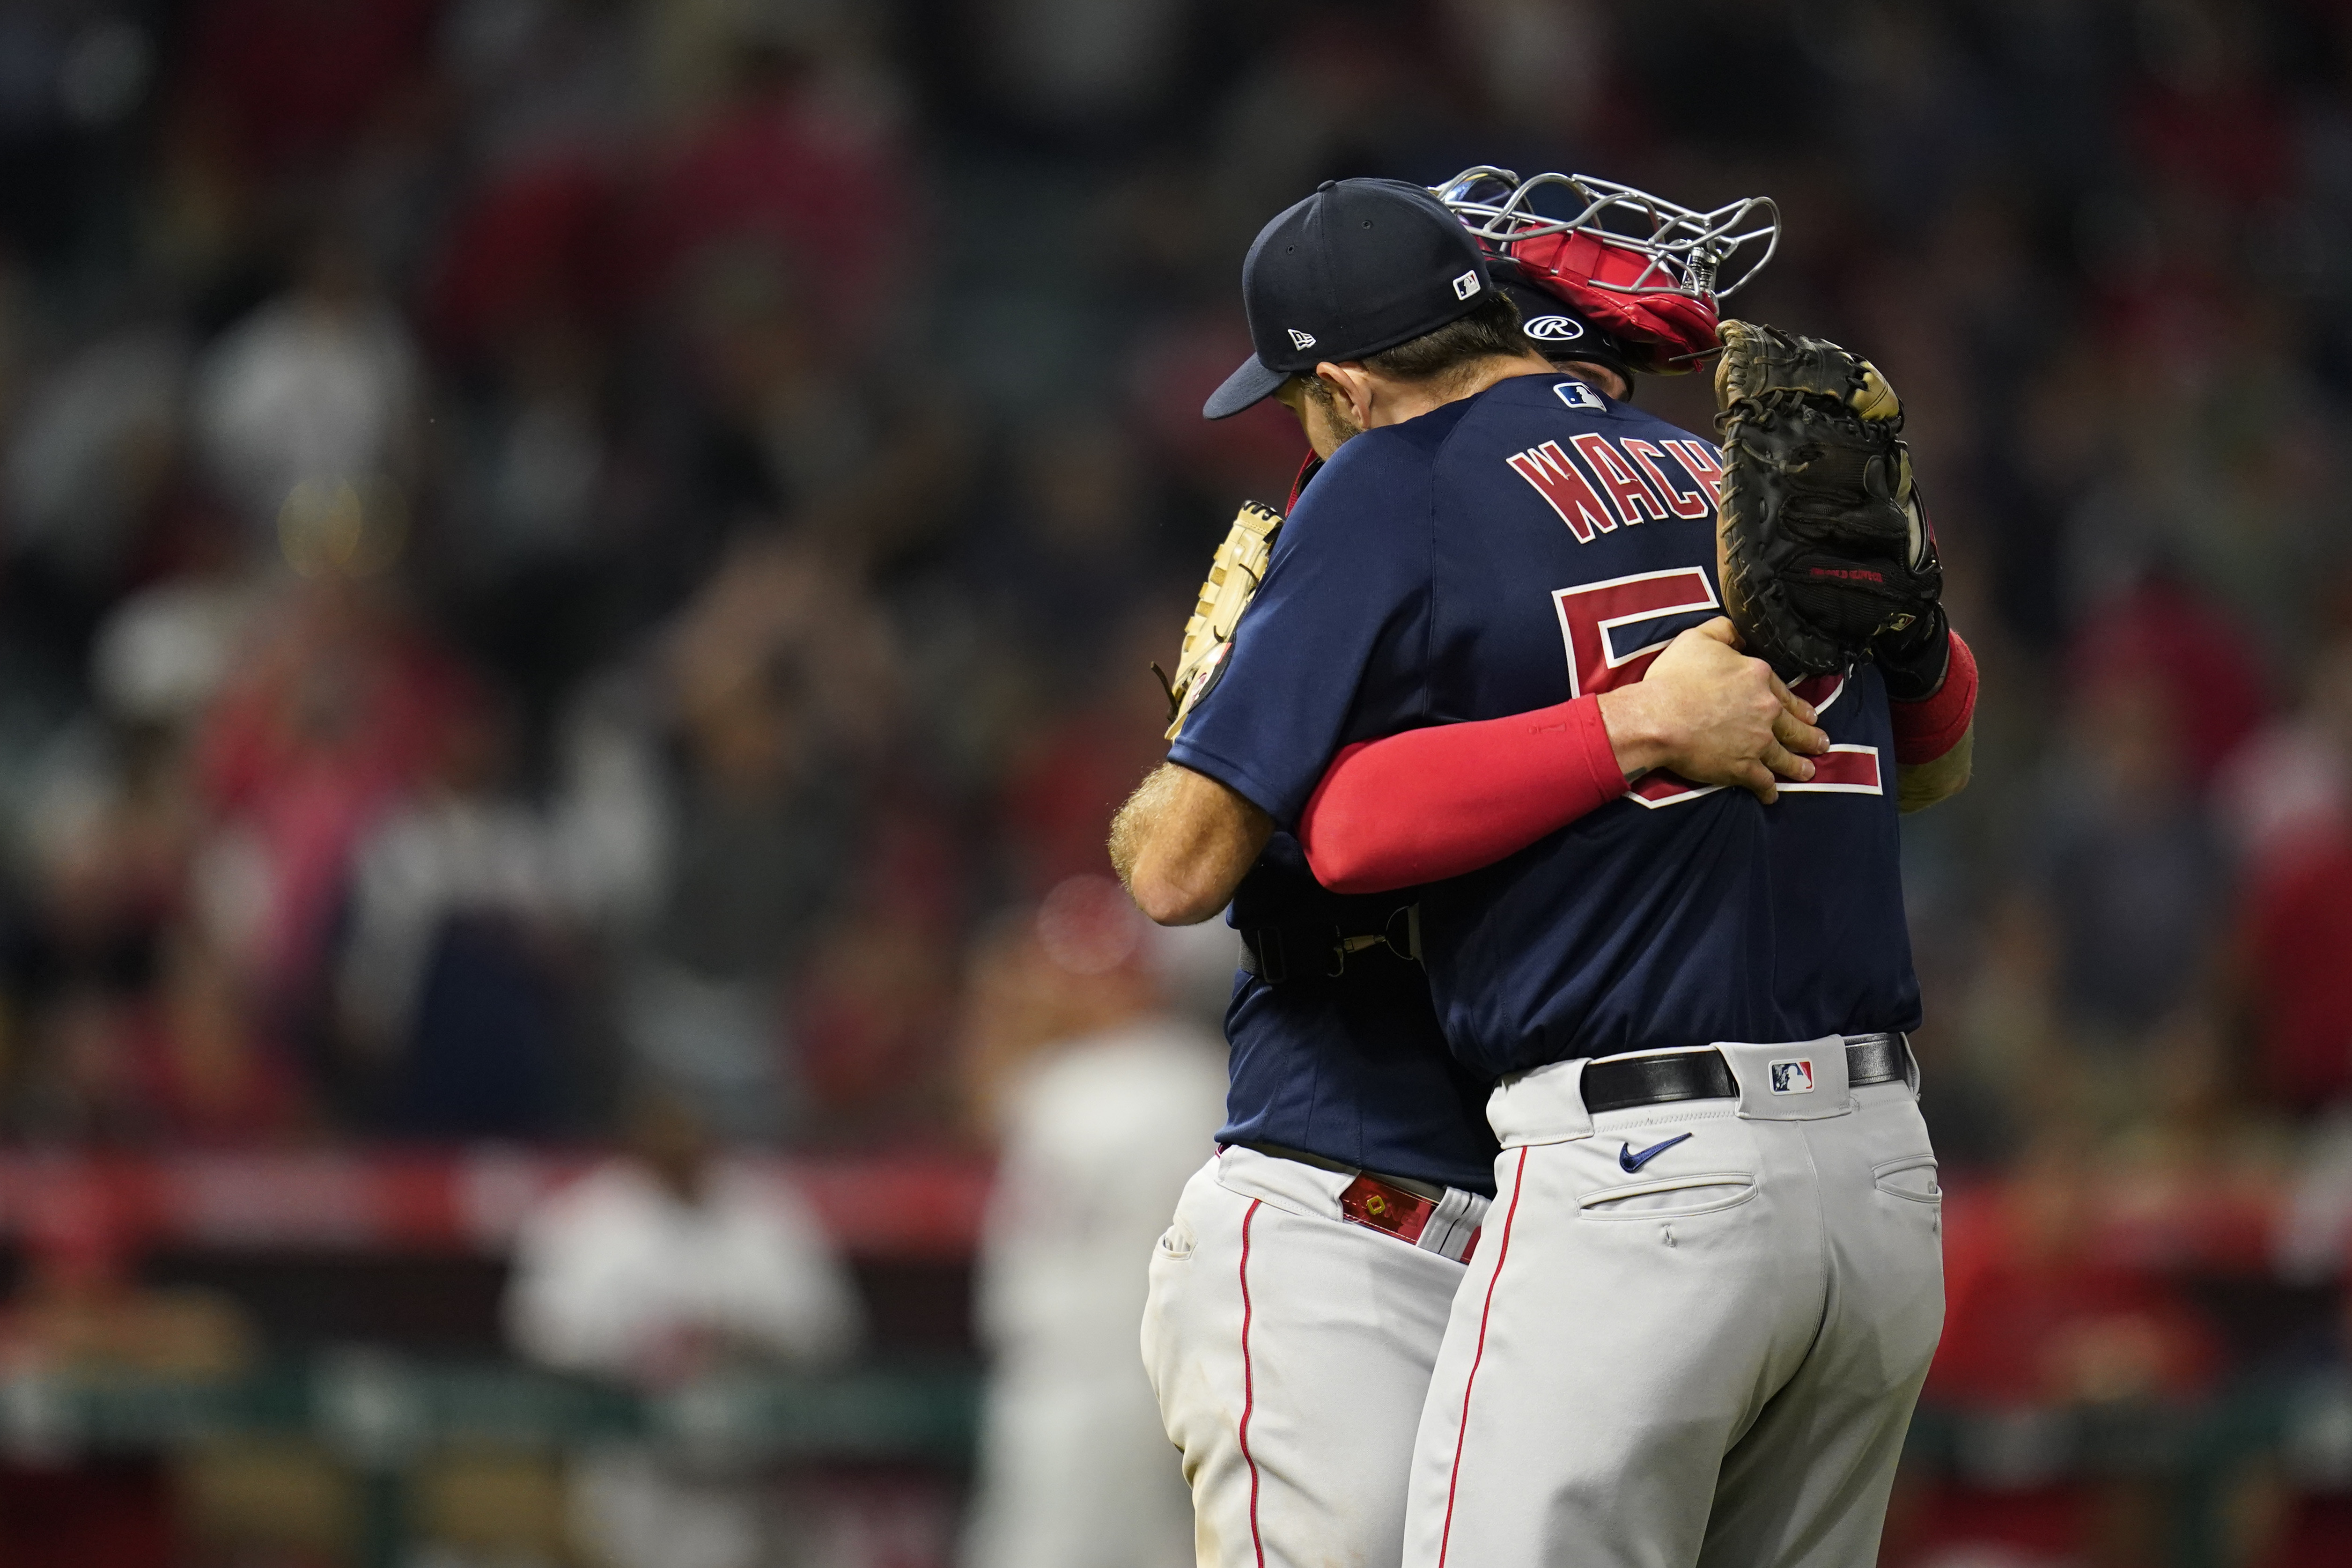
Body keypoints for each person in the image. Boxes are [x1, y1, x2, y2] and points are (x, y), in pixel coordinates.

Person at [1121, 175, 1976, 1567]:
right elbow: (1937, 757)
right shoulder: (1728, 487)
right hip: (1873, 1171)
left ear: (1338, 381)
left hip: (1625, 1164)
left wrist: (1229, 745)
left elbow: (1215, 862)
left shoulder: (1387, 485)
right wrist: (1927, 639)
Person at [958, 875, 1226, 1568]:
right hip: (1135, 1371)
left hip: (1092, 1369)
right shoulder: (1199, 1074)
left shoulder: (1096, 1080)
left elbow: (983, 1083)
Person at [505, 1090, 862, 1568]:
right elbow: (538, 1329)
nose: (679, 1144)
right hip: (630, 1469)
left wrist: (744, 1331)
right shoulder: (588, 1217)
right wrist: (630, 1341)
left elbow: (831, 1328)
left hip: (750, 1476)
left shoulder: (766, 1211)